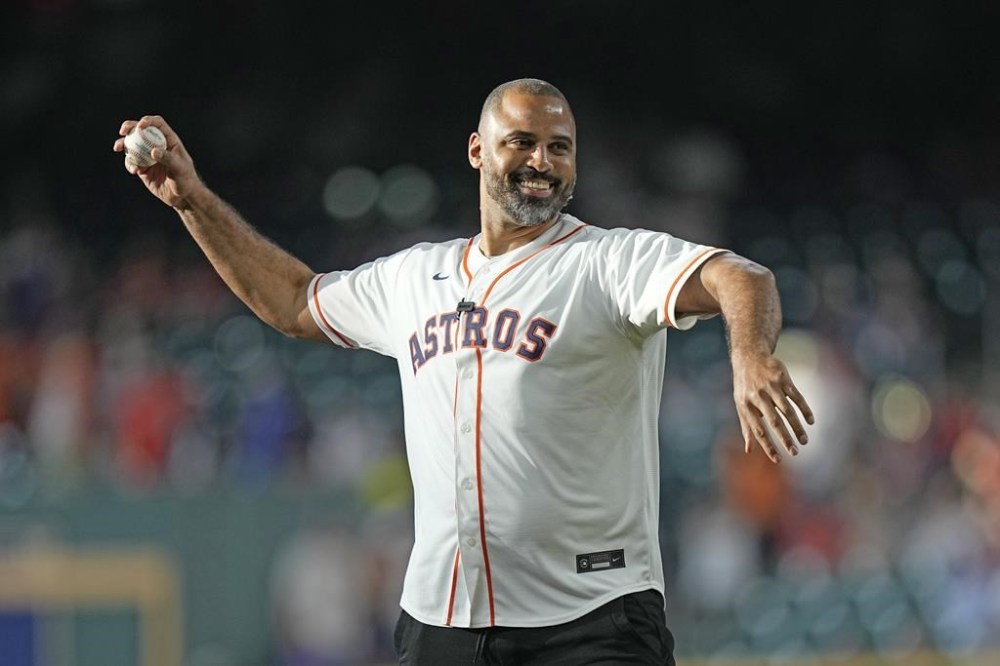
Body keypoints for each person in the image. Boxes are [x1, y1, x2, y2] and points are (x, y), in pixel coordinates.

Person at [114, 77, 814, 665]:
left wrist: (751, 355)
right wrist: (191, 201)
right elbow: (295, 300)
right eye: (522, 142)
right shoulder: (415, 277)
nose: (542, 160)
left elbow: (738, 275)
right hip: (442, 623)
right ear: (479, 150)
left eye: (559, 148)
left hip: (592, 622)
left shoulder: (605, 262)